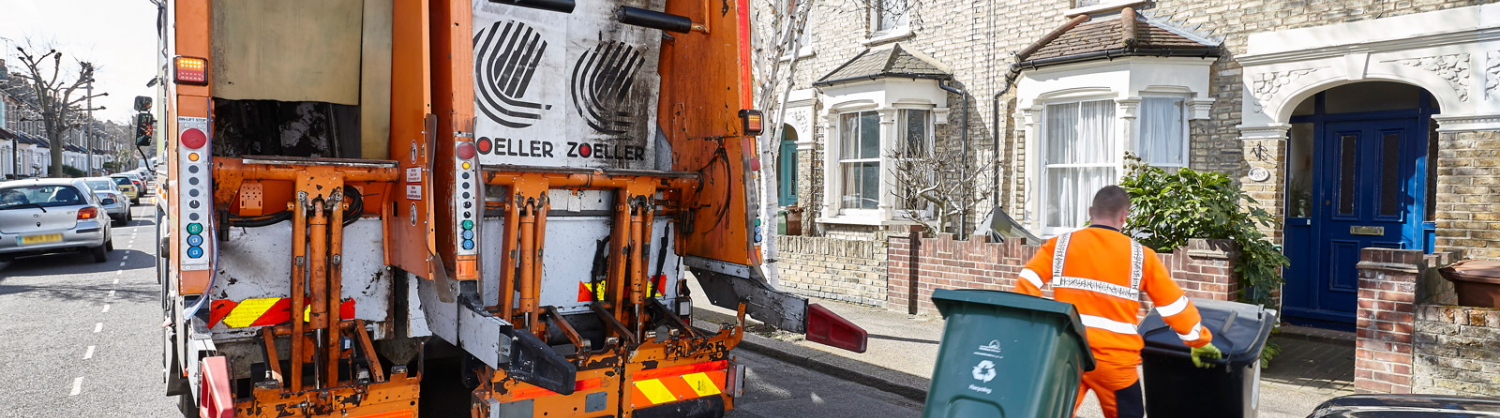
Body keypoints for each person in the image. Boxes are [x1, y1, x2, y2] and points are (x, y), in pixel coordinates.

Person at [1014, 185, 1222, 418]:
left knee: (1051, 413)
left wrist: (1040, 334)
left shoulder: (1060, 245)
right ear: (1124, 216)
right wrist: (1198, 340)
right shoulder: (1141, 256)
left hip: (1068, 355)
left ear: (1091, 211)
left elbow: (1027, 280)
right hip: (1115, 362)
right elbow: (1173, 305)